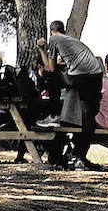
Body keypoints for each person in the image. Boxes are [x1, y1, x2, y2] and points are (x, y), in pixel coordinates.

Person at [37, 21, 104, 170]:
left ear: (51, 32)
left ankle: (54, 113)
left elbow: (51, 68)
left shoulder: (53, 39)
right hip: (96, 75)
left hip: (79, 77)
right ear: (64, 30)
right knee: (88, 116)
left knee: (52, 75)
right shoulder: (74, 41)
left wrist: (42, 50)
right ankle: (80, 157)